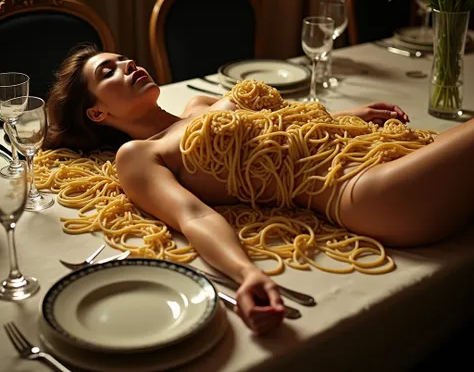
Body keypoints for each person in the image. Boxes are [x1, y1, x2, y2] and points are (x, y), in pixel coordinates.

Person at [45, 45, 474, 335]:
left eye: (125, 59)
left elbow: (283, 124)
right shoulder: (139, 155)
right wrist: (248, 274)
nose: (128, 65)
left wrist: (349, 114)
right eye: (109, 71)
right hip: (362, 190)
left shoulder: (198, 106)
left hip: (378, 149)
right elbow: (194, 217)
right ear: (97, 113)